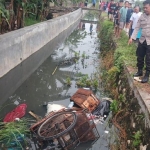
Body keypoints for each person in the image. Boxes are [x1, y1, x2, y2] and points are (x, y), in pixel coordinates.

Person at [128, 0, 150, 83]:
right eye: (144, 7)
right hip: (142, 40)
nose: (145, 9)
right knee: (139, 56)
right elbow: (137, 27)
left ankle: (147, 75)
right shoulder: (142, 16)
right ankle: (139, 71)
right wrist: (132, 38)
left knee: (148, 59)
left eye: (146, 7)